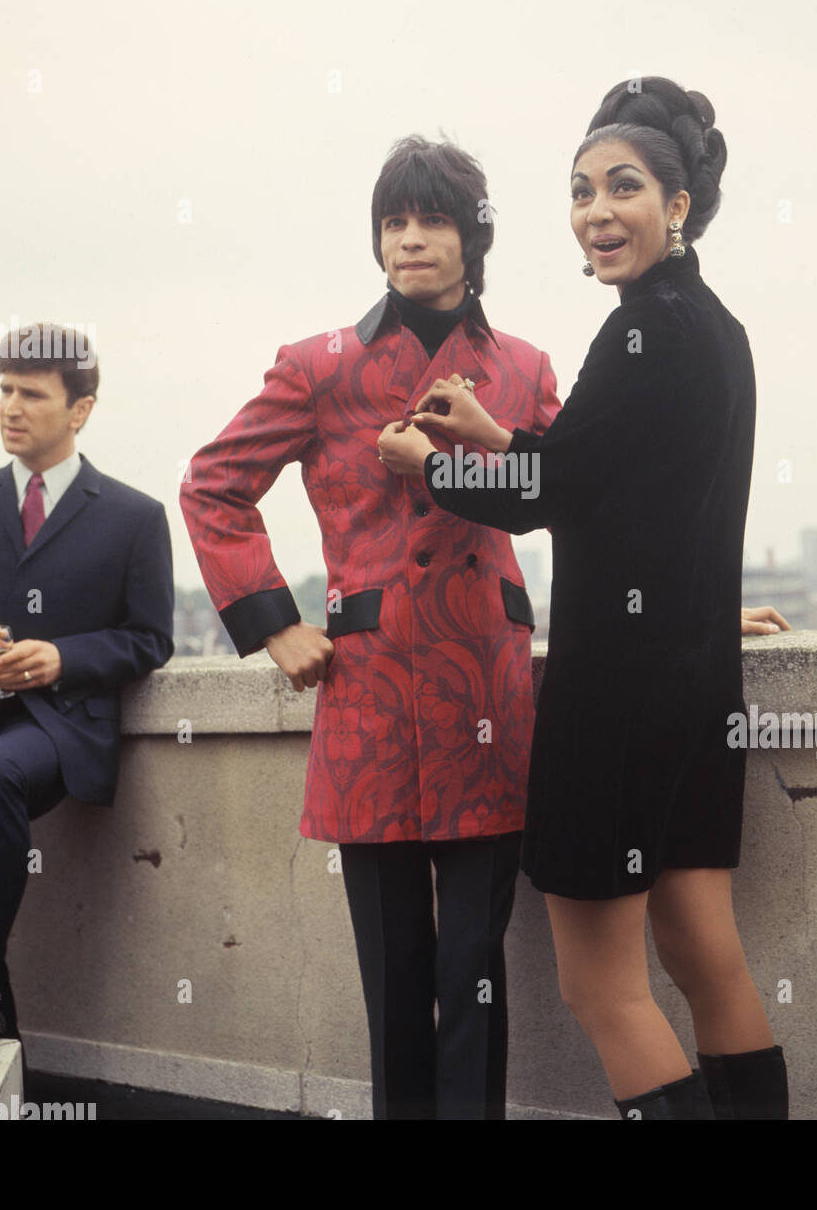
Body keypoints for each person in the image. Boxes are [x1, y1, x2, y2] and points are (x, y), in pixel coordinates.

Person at [377, 77, 790, 1120]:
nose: (597, 211)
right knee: (706, 958)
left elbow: (545, 495)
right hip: (698, 690)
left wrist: (429, 465)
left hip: (615, 700)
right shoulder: (718, 329)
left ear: (679, 203)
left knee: (600, 986)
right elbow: (609, 478)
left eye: (624, 187)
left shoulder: (642, 329)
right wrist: (493, 431)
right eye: (580, 191)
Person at [180, 136, 562, 1119]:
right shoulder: (322, 365)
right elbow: (214, 485)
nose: (411, 239)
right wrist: (274, 623)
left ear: (474, 237)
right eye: (394, 222)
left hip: (486, 691)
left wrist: (689, 598)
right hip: (370, 699)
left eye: (433, 220)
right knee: (393, 971)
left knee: (475, 964)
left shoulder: (522, 368)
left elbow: (577, 497)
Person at [0, 324, 174, 1047]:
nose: (11, 406)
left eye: (32, 394)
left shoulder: (135, 516)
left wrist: (60, 657)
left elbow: (150, 638)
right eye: (5, 389)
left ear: (81, 409)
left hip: (55, 726)